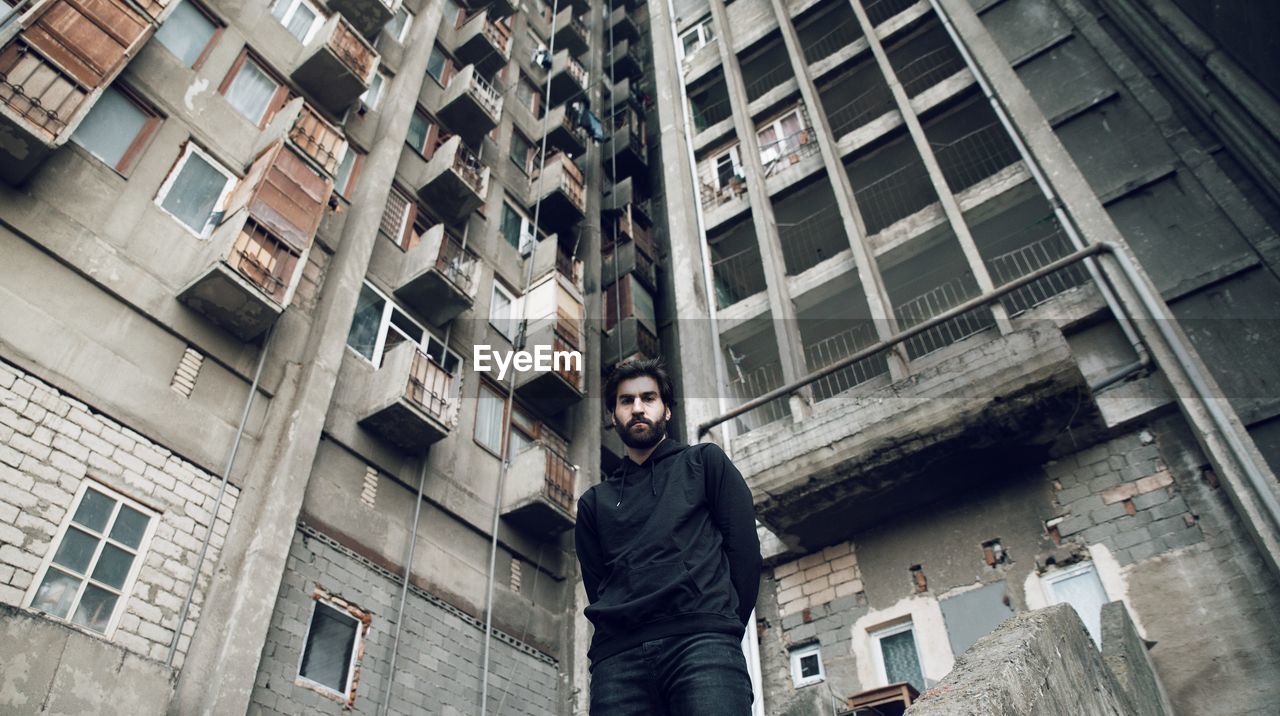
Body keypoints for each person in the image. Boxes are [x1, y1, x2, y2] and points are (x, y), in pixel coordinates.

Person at [576, 358, 761, 715]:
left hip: (702, 643)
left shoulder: (705, 463)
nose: (638, 408)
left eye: (649, 397)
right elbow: (598, 583)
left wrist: (722, 621)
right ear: (614, 416)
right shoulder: (593, 503)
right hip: (618, 661)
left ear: (667, 410)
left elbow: (745, 552)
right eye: (626, 401)